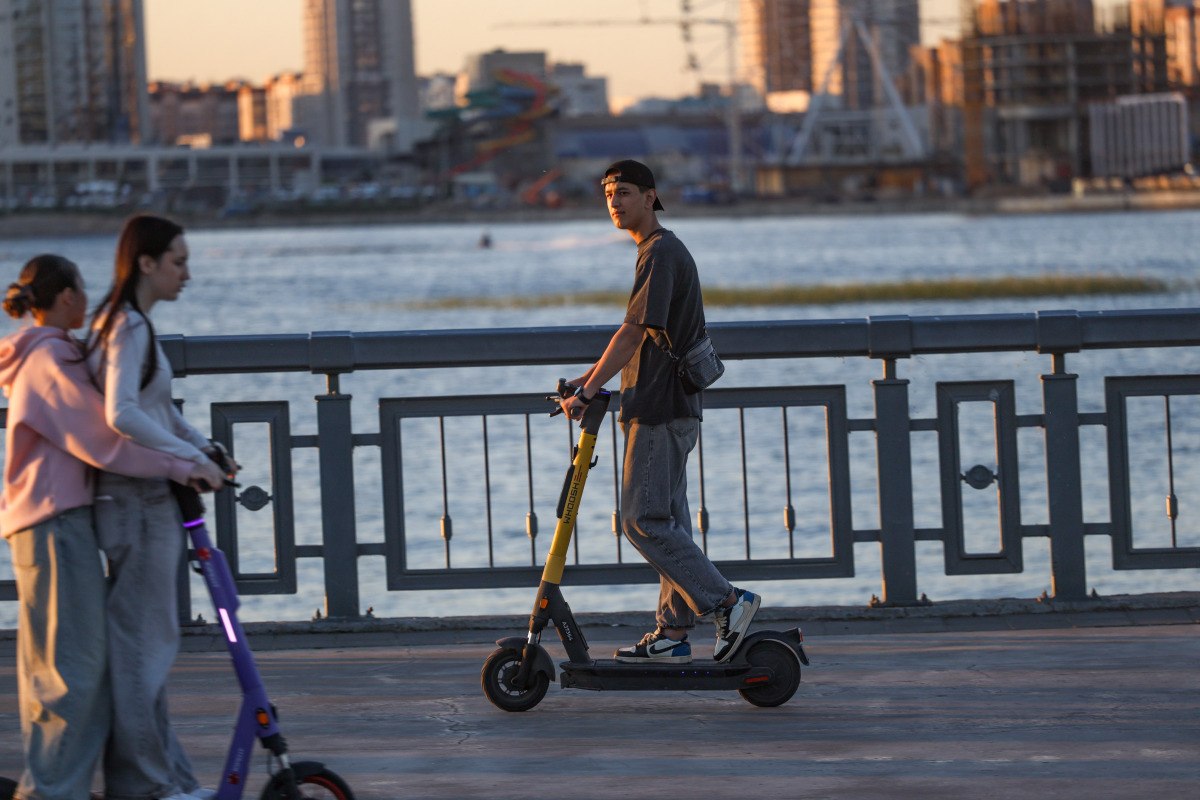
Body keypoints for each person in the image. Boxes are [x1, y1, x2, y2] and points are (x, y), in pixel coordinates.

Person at [0, 254, 223, 800]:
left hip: (57, 523)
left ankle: (67, 786)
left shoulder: (52, 353)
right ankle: (53, 792)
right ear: (69, 296)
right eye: (81, 287)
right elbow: (103, 439)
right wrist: (185, 466)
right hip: (52, 524)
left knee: (72, 668)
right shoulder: (48, 362)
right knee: (68, 674)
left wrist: (189, 450)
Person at [558, 160, 760, 665]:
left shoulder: (661, 253)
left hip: (660, 408)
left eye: (624, 193)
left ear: (651, 197)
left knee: (642, 520)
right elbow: (637, 333)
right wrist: (589, 380)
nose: (615, 203)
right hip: (664, 404)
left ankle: (728, 602)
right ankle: (672, 633)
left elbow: (631, 332)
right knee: (668, 520)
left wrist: (588, 392)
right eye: (608, 195)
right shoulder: (656, 251)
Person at [83, 215, 232, 800]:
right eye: (178, 261)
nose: (187, 274)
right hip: (139, 503)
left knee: (146, 651)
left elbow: (156, 409)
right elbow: (121, 413)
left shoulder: (119, 321)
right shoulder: (130, 327)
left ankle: (165, 780)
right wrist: (186, 462)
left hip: (134, 501)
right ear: (145, 263)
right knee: (144, 654)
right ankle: (147, 788)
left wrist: (203, 447)